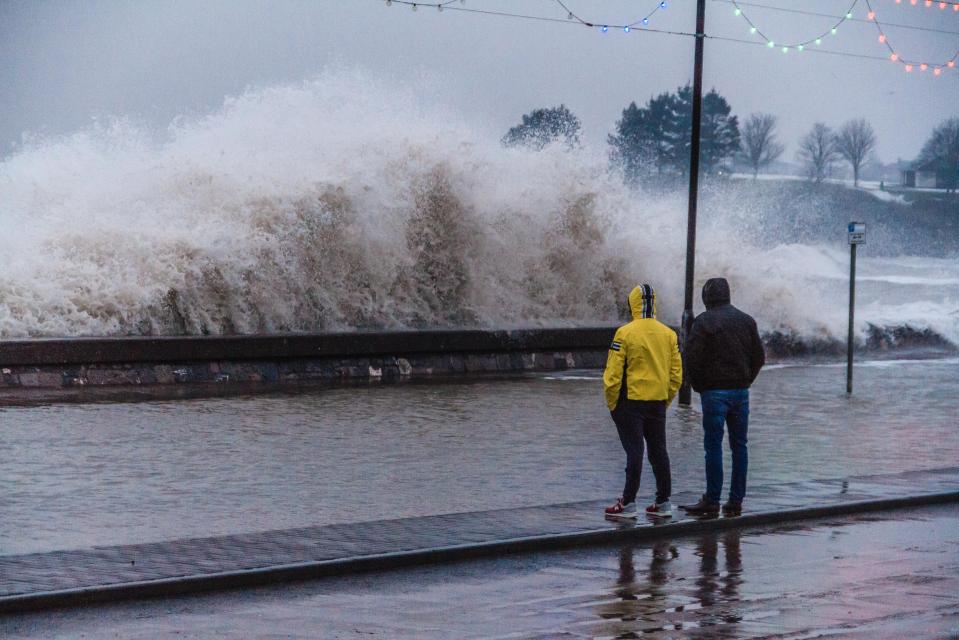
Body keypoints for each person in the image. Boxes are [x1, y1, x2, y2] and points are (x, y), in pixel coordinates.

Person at [681, 278, 765, 517]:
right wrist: (746, 380)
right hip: (741, 392)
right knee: (740, 446)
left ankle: (712, 500)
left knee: (713, 447)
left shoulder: (703, 322)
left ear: (707, 297)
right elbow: (759, 357)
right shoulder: (746, 321)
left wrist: (699, 386)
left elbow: (692, 359)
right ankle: (736, 501)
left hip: (714, 393)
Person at [603, 284, 683, 519]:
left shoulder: (625, 333)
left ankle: (628, 503)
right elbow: (676, 374)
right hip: (657, 401)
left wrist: (612, 403)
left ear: (633, 304)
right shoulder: (669, 334)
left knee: (634, 451)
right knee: (659, 451)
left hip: (631, 401)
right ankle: (663, 501)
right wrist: (665, 399)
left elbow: (613, 375)